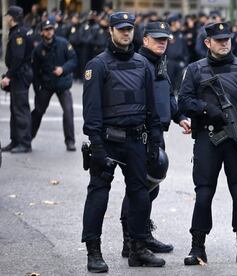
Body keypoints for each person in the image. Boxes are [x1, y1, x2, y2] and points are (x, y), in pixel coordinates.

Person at [81, 12, 165, 272]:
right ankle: (93, 252)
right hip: (107, 140)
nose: (126, 33)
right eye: (121, 29)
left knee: (141, 194)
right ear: (111, 31)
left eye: (129, 29)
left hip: (136, 140)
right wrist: (95, 146)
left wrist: (154, 142)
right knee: (99, 194)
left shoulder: (142, 64)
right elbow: (91, 110)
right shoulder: (98, 65)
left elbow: (152, 108)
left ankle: (137, 248)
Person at [178, 22, 237, 265]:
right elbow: (183, 101)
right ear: (207, 42)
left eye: (227, 38)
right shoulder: (195, 70)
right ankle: (197, 247)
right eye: (219, 40)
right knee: (204, 193)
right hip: (209, 137)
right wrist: (207, 109)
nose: (224, 43)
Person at [120, 21, 191, 257]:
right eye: (157, 38)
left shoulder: (160, 62)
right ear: (145, 39)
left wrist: (178, 115)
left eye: (165, 39)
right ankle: (130, 240)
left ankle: (142, 234)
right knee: (138, 188)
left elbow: (167, 94)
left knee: (151, 188)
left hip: (157, 132)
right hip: (141, 133)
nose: (162, 43)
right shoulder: (138, 63)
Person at [31, 17, 77, 151]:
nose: (49, 31)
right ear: (41, 32)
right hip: (47, 84)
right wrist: (37, 90)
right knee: (38, 111)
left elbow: (74, 59)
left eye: (51, 29)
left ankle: (70, 141)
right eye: (46, 30)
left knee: (68, 111)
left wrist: (63, 69)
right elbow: (35, 73)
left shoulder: (63, 43)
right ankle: (27, 138)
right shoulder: (38, 50)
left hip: (62, 84)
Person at [1, 6, 33, 153]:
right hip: (18, 74)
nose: (6, 18)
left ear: (11, 17)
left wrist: (8, 76)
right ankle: (15, 140)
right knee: (15, 109)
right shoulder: (18, 31)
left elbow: (18, 58)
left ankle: (25, 143)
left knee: (21, 110)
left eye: (7, 16)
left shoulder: (19, 33)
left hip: (20, 75)